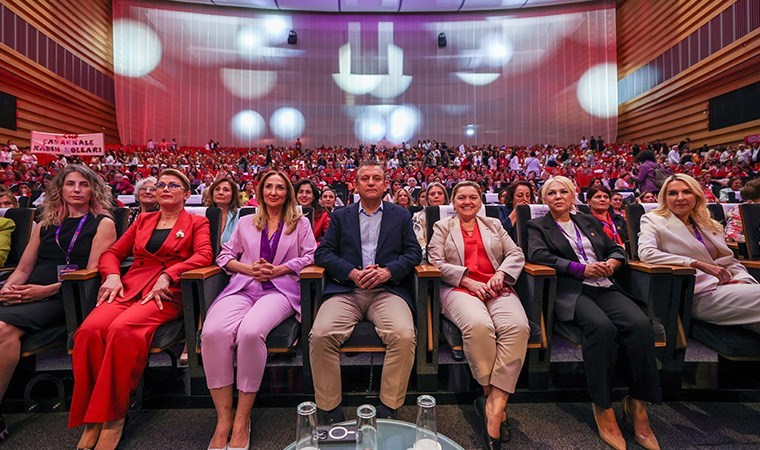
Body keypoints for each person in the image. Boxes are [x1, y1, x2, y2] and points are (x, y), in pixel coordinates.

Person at [69, 169, 213, 450]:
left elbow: (204, 255)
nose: (166, 189)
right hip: (129, 286)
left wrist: (171, 273)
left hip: (165, 293)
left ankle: (113, 416)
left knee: (122, 329)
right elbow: (112, 253)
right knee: (89, 330)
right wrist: (111, 275)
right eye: (161, 184)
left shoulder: (197, 222)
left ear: (186, 193)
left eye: (174, 185)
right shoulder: (143, 220)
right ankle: (91, 417)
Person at [527, 176, 661, 450]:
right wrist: (580, 269)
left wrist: (613, 262)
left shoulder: (588, 221)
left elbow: (614, 248)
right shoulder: (538, 225)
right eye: (551, 192)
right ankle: (603, 405)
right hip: (572, 289)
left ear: (573, 194)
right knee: (601, 328)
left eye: (563, 191)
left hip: (604, 284)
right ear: (544, 199)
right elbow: (538, 254)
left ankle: (638, 404)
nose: (557, 196)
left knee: (640, 325)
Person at [201, 171, 316, 450]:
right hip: (243, 285)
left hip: (280, 289)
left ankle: (242, 418)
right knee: (213, 332)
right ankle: (223, 419)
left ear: (287, 192)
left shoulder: (299, 223)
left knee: (251, 332)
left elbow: (312, 254)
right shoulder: (244, 222)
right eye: (269, 187)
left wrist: (282, 268)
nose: (274, 192)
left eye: (280, 187)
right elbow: (224, 256)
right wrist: (246, 268)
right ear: (260, 191)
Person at [0, 165, 116, 441]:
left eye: (83, 185)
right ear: (60, 190)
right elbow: (24, 268)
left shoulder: (103, 223)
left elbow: (92, 272)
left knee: (3, 329)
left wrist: (44, 291)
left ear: (93, 190)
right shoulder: (44, 225)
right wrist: (9, 288)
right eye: (70, 184)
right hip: (27, 292)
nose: (77, 189)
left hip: (66, 297)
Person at [310, 161, 422, 422]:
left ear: (385, 185)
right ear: (355, 185)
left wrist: (388, 271)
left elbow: (413, 253)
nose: (371, 182)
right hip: (346, 291)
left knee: (404, 335)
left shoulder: (400, 215)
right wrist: (351, 272)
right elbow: (323, 253)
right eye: (365, 179)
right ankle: (329, 409)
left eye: (376, 178)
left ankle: (389, 408)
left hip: (387, 291)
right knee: (321, 334)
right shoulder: (340, 216)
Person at [428, 181, 528, 450]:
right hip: (459, 289)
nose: (467, 201)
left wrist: (500, 275)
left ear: (481, 200)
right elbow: (435, 261)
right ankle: (490, 394)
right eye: (461, 197)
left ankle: (493, 407)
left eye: (473, 197)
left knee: (517, 326)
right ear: (453, 201)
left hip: (496, 287)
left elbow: (515, 254)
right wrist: (468, 281)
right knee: (478, 325)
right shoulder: (443, 227)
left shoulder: (494, 224)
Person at [638, 174, 759, 334]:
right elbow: (647, 253)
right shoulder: (653, 220)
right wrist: (695, 263)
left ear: (696, 196)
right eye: (673, 193)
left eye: (687, 192)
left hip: (732, 287)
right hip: (697, 293)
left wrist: (743, 280)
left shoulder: (707, 223)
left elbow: (730, 261)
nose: (680, 198)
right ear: (665, 197)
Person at [411, 182, 449, 260]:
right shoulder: (417, 216)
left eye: (440, 193)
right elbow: (419, 240)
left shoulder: (455, 214)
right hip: (428, 256)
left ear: (445, 197)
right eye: (432, 194)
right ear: (427, 199)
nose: (436, 196)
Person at [205, 177, 243, 244]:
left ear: (233, 195)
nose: (220, 193)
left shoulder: (241, 216)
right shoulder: (204, 214)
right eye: (217, 189)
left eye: (226, 190)